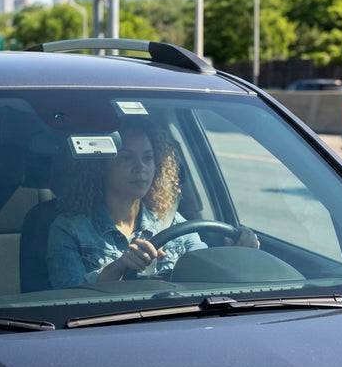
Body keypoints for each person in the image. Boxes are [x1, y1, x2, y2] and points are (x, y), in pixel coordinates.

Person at [45, 117, 257, 288]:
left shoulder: (172, 221)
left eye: (147, 158)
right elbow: (66, 298)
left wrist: (238, 253)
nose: (141, 168)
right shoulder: (69, 229)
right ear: (100, 168)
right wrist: (117, 269)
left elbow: (204, 269)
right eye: (126, 158)